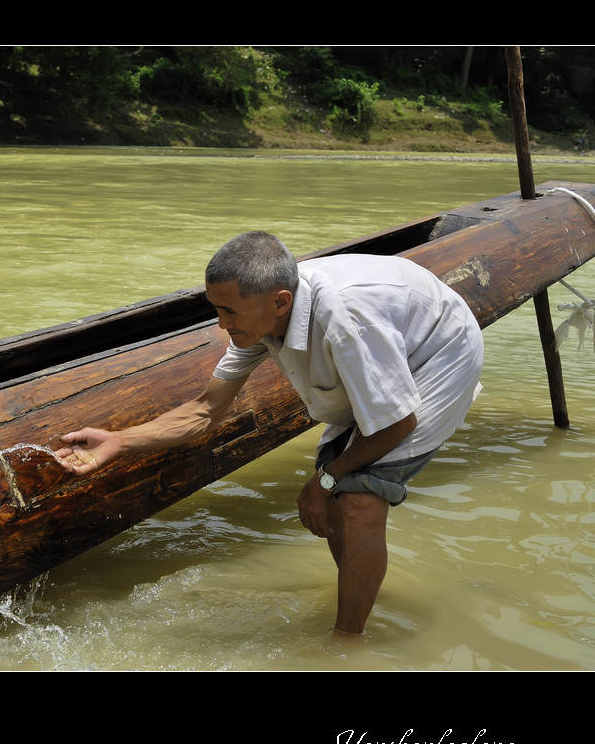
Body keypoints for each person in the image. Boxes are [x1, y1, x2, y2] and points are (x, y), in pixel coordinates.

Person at [56, 230, 484, 637]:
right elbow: (205, 410)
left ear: (280, 302)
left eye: (228, 311)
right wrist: (119, 440)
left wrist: (324, 480)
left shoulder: (348, 321)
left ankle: (348, 640)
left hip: (439, 353)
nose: (220, 324)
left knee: (357, 499)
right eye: (216, 308)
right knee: (339, 495)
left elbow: (398, 423)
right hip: (389, 342)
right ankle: (359, 591)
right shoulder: (262, 319)